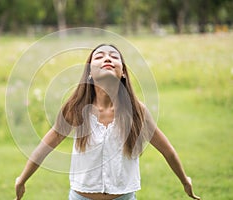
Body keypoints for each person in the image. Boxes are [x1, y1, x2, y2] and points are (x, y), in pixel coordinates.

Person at [14, 44, 201, 200]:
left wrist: (185, 181)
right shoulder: (75, 108)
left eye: (114, 56)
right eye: (99, 56)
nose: (107, 59)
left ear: (123, 73)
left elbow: (167, 150)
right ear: (89, 72)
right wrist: (22, 179)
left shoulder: (137, 111)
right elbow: (45, 146)